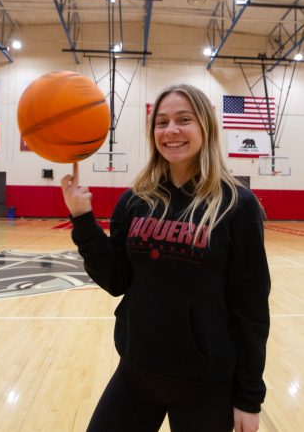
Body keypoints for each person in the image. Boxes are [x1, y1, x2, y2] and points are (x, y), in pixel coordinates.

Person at [61, 84, 270, 432]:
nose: (171, 130)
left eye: (183, 120)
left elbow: (250, 307)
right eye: (161, 122)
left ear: (206, 127)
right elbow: (116, 280)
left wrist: (249, 397)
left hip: (205, 383)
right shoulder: (135, 200)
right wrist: (82, 220)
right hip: (137, 370)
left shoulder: (237, 205)